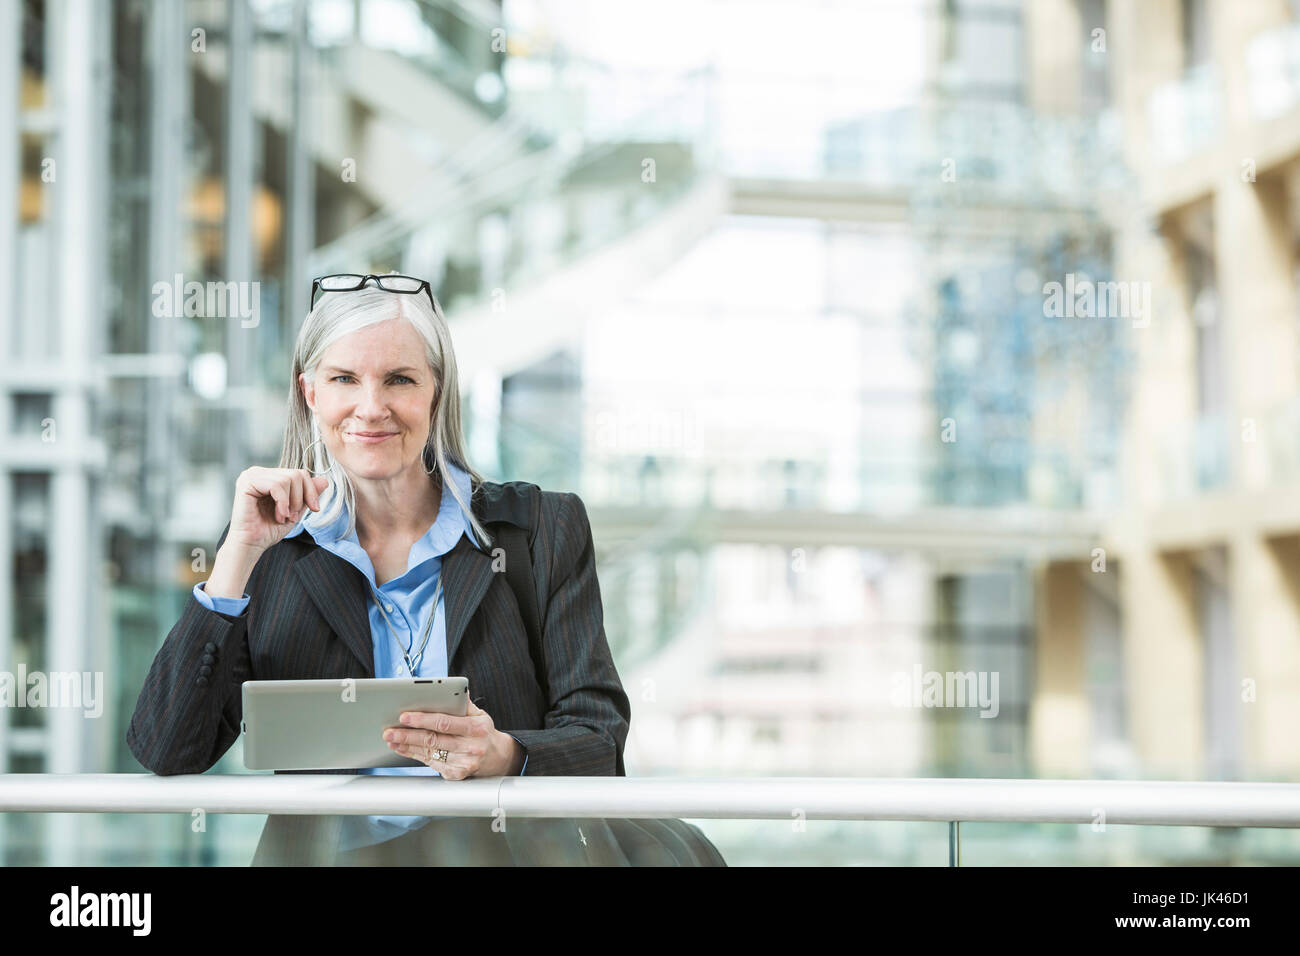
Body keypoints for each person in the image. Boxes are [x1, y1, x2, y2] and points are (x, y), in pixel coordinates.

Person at [126, 274, 718, 865]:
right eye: (344, 380)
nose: (371, 407)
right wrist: (236, 555)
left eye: (399, 379)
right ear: (310, 394)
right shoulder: (269, 550)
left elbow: (600, 741)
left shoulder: (537, 530)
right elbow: (168, 748)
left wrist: (504, 754)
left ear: (437, 393)